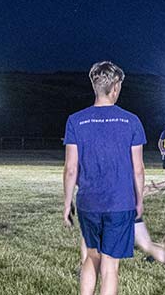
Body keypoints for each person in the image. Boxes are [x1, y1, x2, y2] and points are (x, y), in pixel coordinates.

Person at [62, 61, 145, 295]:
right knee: (110, 267)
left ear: (94, 85)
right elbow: (138, 169)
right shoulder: (131, 120)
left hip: (89, 202)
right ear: (116, 87)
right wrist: (139, 200)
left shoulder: (76, 120)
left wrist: (67, 204)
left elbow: (70, 168)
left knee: (91, 256)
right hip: (120, 203)